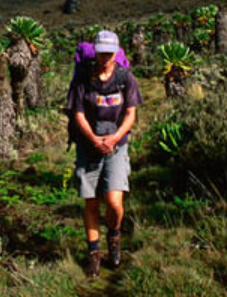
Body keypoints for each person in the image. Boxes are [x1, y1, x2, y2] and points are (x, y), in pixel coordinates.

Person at [67, 29, 142, 278]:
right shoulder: (83, 79)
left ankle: (114, 236)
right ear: (96, 52)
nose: (105, 57)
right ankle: (94, 255)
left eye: (110, 53)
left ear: (116, 52)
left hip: (117, 147)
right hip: (89, 146)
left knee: (113, 201)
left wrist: (115, 137)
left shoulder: (125, 78)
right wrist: (94, 139)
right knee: (91, 202)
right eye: (102, 53)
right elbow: (77, 113)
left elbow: (131, 113)